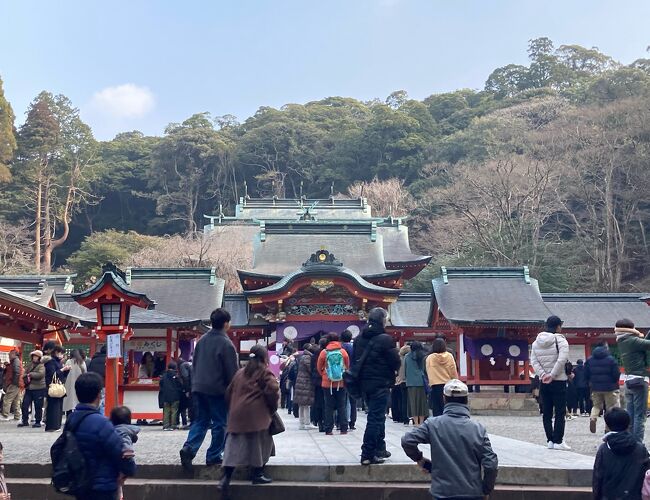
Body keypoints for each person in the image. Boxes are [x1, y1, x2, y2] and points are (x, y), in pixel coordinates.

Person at [401, 379, 499, 500]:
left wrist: (419, 458)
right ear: (467, 400)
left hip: (442, 493)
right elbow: (491, 464)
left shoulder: (432, 424)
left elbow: (407, 440)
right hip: (472, 493)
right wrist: (485, 490)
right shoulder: (478, 429)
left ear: (444, 399)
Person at [58, 372, 136, 500]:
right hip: (102, 485)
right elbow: (118, 451)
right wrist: (129, 469)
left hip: (80, 482)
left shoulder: (71, 419)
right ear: (99, 394)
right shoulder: (102, 423)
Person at [180, 308, 239, 471]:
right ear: (226, 323)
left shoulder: (202, 340)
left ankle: (189, 448)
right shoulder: (226, 344)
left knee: (201, 420)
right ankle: (213, 455)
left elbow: (195, 364)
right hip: (217, 389)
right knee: (220, 423)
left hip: (199, 387)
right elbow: (231, 372)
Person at [218, 344, 279, 496]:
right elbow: (273, 389)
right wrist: (271, 407)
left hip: (237, 414)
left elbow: (228, 392)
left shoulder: (240, 373)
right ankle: (257, 473)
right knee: (260, 442)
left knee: (233, 446)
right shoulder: (264, 372)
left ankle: (226, 477)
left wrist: (233, 407)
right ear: (265, 358)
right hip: (256, 413)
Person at [352, 307, 400, 466]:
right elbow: (395, 361)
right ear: (382, 321)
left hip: (364, 384)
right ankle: (367, 453)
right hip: (380, 382)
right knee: (375, 418)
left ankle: (380, 448)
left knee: (377, 416)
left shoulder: (359, 339)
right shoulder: (385, 339)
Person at [530, 315, 571, 451]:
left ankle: (550, 440)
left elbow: (534, 361)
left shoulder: (536, 342)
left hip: (544, 381)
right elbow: (562, 359)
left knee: (546, 411)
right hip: (558, 380)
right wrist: (552, 375)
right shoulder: (560, 340)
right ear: (558, 326)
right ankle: (558, 440)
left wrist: (543, 375)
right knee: (559, 411)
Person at [592, 408, 650, 500]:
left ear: (607, 426)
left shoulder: (604, 449)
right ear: (628, 424)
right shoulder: (640, 449)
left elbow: (598, 478)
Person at [615, 318, 650, 443]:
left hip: (629, 381)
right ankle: (637, 445)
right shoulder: (632, 340)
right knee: (640, 416)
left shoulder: (622, 340)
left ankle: (629, 442)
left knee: (630, 415)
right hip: (639, 380)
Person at [317, 333, 350, 435]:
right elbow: (347, 366)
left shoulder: (324, 352)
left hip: (327, 383)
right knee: (342, 405)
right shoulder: (343, 352)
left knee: (328, 406)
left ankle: (328, 429)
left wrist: (324, 374)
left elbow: (319, 367)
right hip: (341, 382)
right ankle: (343, 428)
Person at [585, 342, 621, 434]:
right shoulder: (611, 359)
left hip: (595, 387)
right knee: (610, 408)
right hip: (610, 387)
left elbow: (586, 374)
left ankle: (593, 418)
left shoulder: (590, 360)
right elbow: (616, 374)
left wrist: (591, 382)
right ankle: (608, 428)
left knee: (596, 406)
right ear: (606, 348)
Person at [110, 406, 139, 500]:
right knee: (118, 486)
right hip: (124, 461)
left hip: (118, 460)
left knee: (118, 487)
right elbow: (126, 443)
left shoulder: (116, 430)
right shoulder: (125, 431)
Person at [425, 338, 458, 417]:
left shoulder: (430, 358)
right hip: (448, 384)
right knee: (447, 405)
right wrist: (455, 380)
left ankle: (438, 424)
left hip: (435, 385)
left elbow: (429, 371)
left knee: (436, 406)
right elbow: (453, 370)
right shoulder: (449, 356)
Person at [43, 344, 71, 432]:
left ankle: (56, 425)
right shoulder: (51, 362)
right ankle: (52, 426)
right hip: (53, 386)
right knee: (53, 407)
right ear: (56, 352)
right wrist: (62, 370)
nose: (62, 355)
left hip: (58, 386)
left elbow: (60, 375)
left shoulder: (57, 362)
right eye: (61, 353)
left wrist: (66, 370)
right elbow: (52, 374)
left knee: (58, 407)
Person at [18, 350, 46, 428]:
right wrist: (26, 375)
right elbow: (24, 373)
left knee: (38, 406)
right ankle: (25, 420)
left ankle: (37, 421)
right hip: (29, 388)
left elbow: (40, 375)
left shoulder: (42, 365)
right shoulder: (30, 365)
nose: (34, 358)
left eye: (36, 356)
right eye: (33, 356)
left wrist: (30, 374)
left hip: (39, 388)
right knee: (25, 404)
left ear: (39, 357)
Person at [404, 341, 428, 425]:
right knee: (422, 403)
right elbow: (425, 370)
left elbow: (405, 370)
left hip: (410, 383)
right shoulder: (423, 357)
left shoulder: (407, 357)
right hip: (421, 382)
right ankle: (421, 422)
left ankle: (416, 423)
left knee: (413, 403)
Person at [293, 344, 316, 430]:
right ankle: (306, 423)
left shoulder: (302, 356)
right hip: (305, 382)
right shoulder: (307, 357)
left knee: (302, 405)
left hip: (301, 382)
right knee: (306, 404)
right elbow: (310, 369)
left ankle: (302, 423)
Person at [340, 330, 357, 430]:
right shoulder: (353, 347)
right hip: (353, 375)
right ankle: (352, 422)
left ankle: (341, 421)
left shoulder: (340, 348)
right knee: (352, 401)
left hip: (341, 375)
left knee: (342, 400)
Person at [159, 361, 183, 431]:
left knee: (166, 410)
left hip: (165, 396)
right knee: (174, 410)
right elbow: (180, 385)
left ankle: (166, 425)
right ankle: (173, 425)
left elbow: (161, 384)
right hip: (175, 395)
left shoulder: (163, 375)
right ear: (175, 367)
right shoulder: (176, 376)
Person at [0, 350, 23, 422]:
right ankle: (17, 416)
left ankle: (5, 415)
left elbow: (16, 372)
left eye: (10, 354)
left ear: (14, 354)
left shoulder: (15, 361)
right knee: (16, 400)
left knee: (7, 399)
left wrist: (13, 382)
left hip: (14, 383)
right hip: (18, 383)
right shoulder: (16, 361)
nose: (9, 355)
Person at [63, 349, 88, 415]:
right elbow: (85, 374)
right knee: (78, 402)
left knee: (69, 404)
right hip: (79, 385)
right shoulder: (82, 363)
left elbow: (64, 373)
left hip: (69, 385)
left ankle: (69, 417)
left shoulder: (69, 361)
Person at [392, 344, 410, 425]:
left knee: (396, 400)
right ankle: (404, 417)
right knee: (403, 400)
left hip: (397, 380)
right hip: (405, 380)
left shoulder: (398, 359)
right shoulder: (408, 359)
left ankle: (396, 416)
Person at [177, 357, 193, 428]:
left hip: (190, 388)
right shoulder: (190, 364)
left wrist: (186, 390)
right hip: (196, 386)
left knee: (188, 406)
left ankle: (192, 422)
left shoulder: (182, 366)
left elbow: (185, 377)